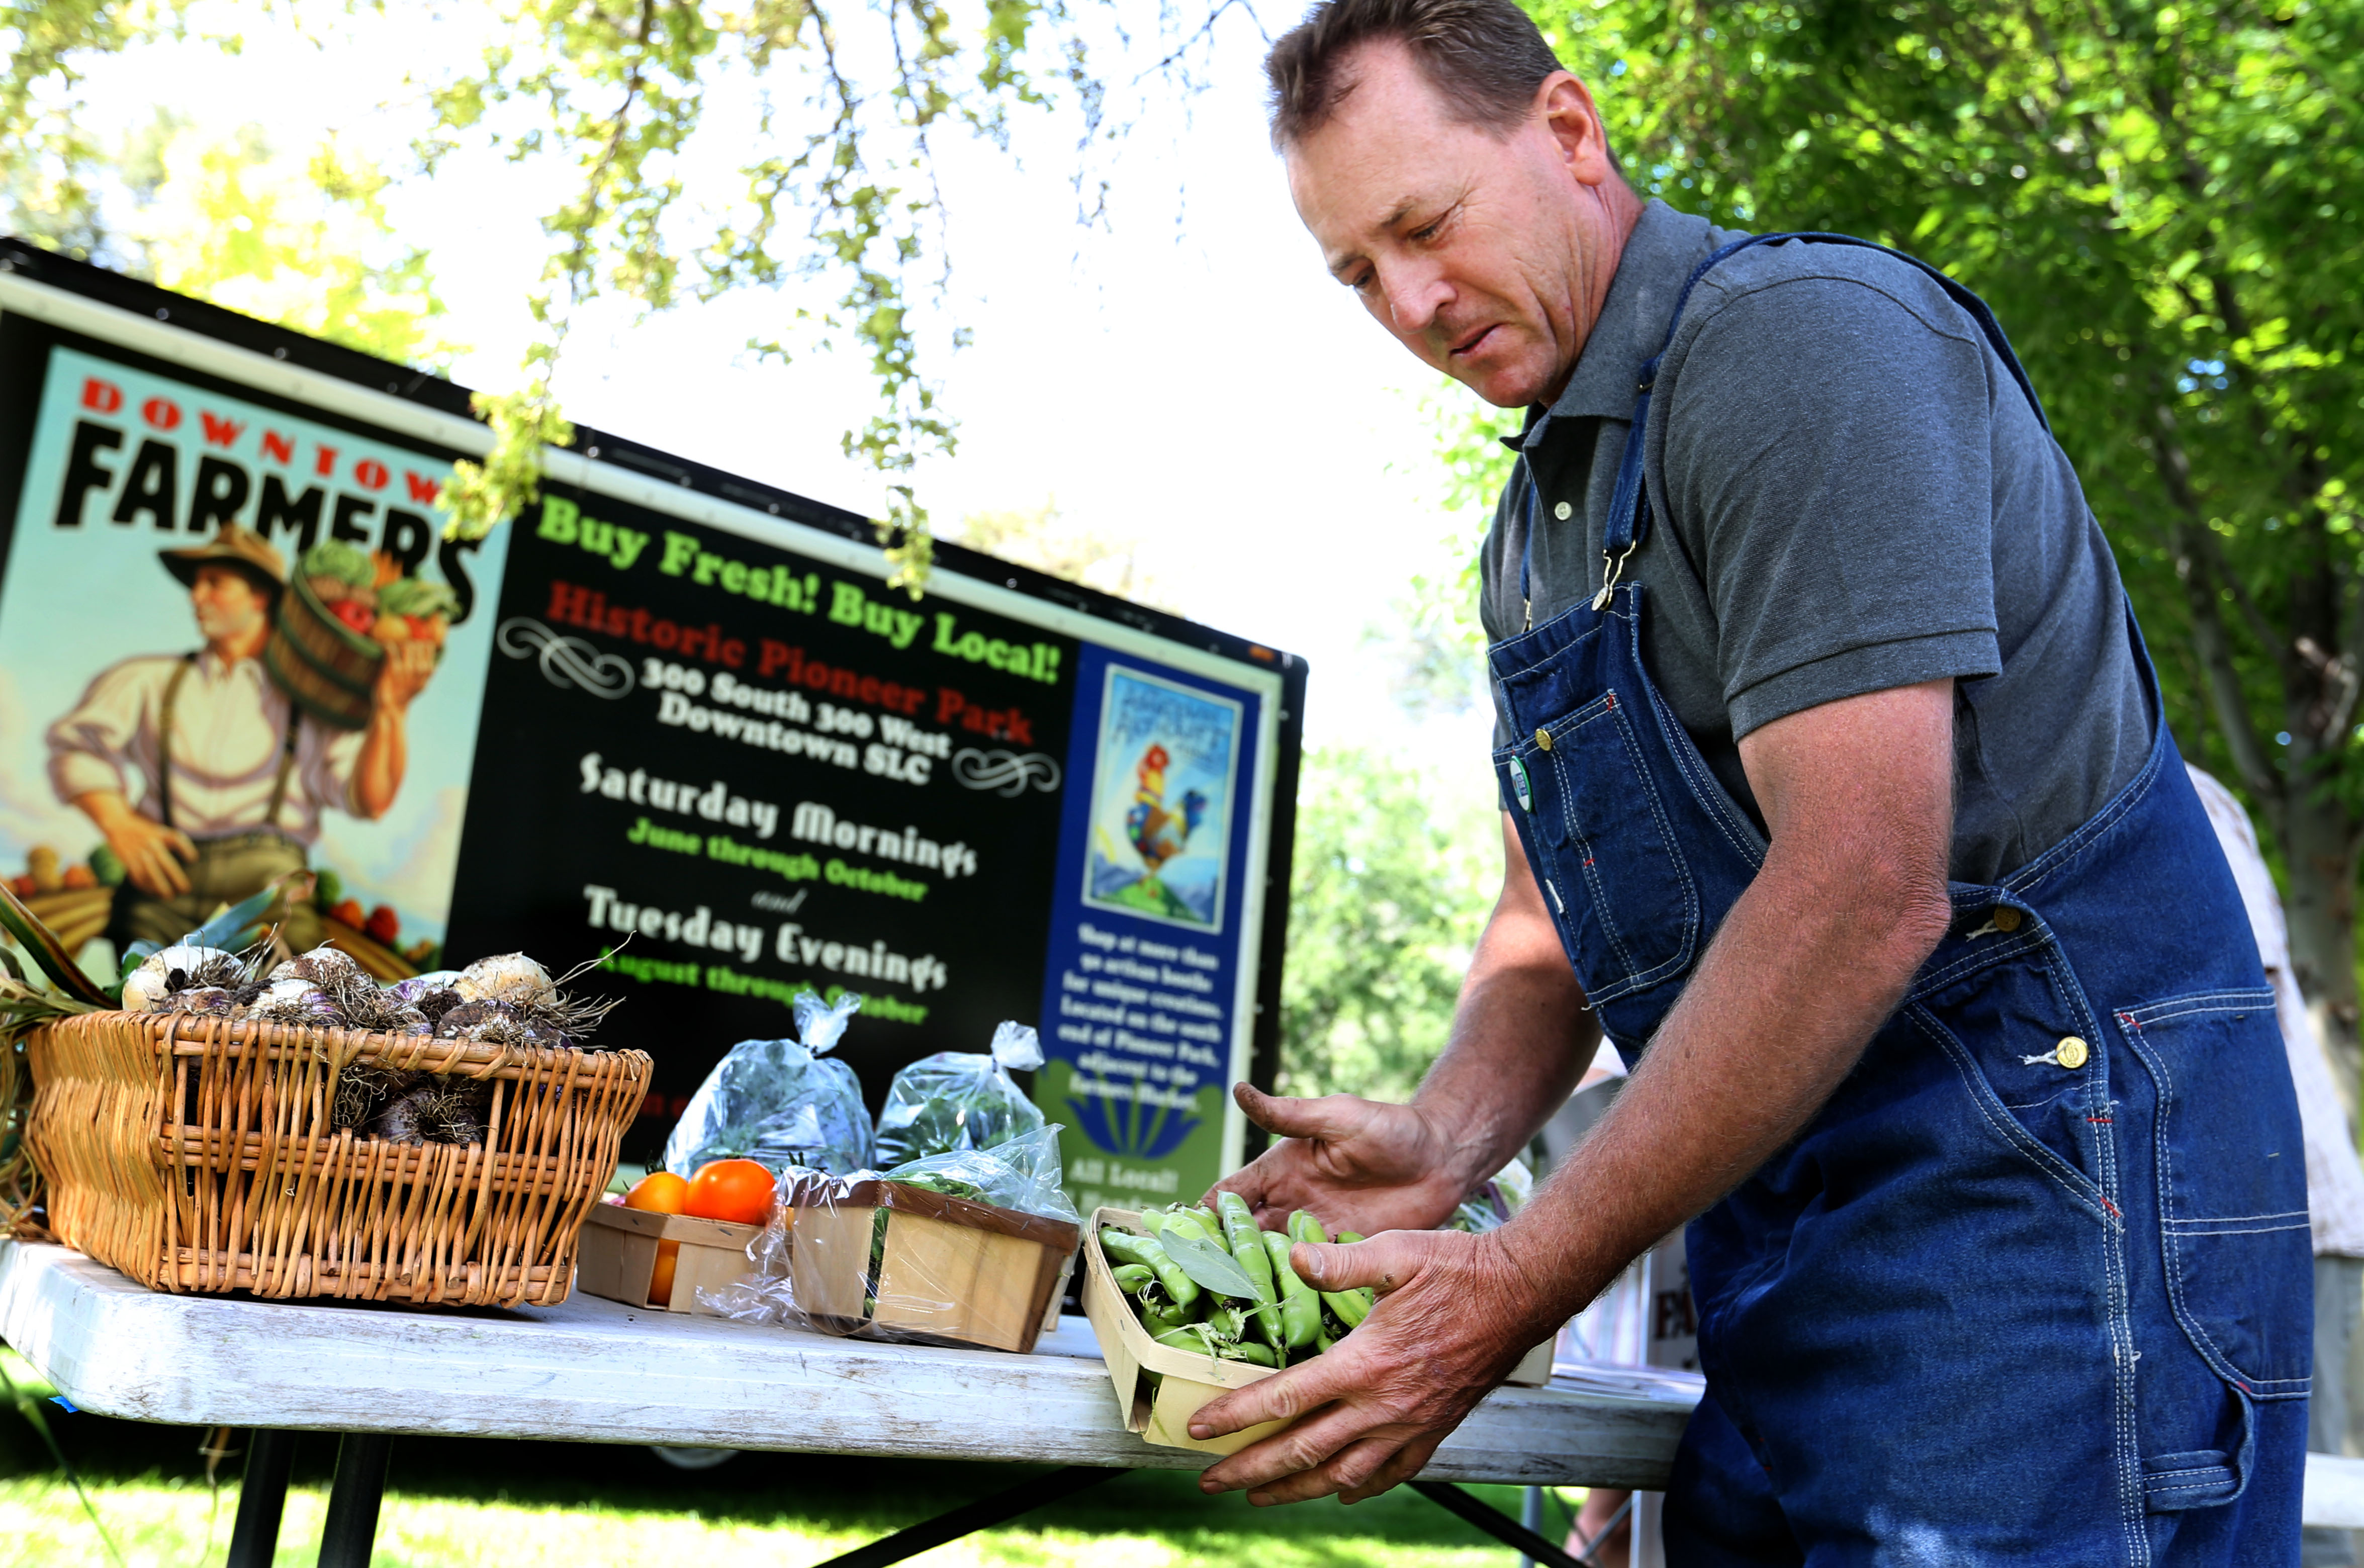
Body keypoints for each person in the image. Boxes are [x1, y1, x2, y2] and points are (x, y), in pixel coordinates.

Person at [1191, 2, 2311, 1559]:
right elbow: (1545, 916)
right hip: (1791, 1247)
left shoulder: (1793, 346)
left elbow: (1859, 885)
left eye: (1424, 224)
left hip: (2056, 1221)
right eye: (1355, 273)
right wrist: (1449, 1132)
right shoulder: (1533, 535)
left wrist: (1517, 1275)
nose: (1411, 302)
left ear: (1570, 134)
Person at [47, 525, 436, 950]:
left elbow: (370, 800)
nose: (197, 597)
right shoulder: (147, 680)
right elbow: (76, 746)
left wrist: (391, 711)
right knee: (136, 1001)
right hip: (163, 886)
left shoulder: (312, 701)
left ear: (260, 597)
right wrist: (118, 822)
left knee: (295, 1001)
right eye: (196, 585)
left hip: (268, 890)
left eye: (214, 583)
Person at [2187, 764, 2364, 1568]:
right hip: (2233, 1215)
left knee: (2300, 1504)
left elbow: (2227, 991)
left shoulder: (2169, 786)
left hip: (2283, 1217)